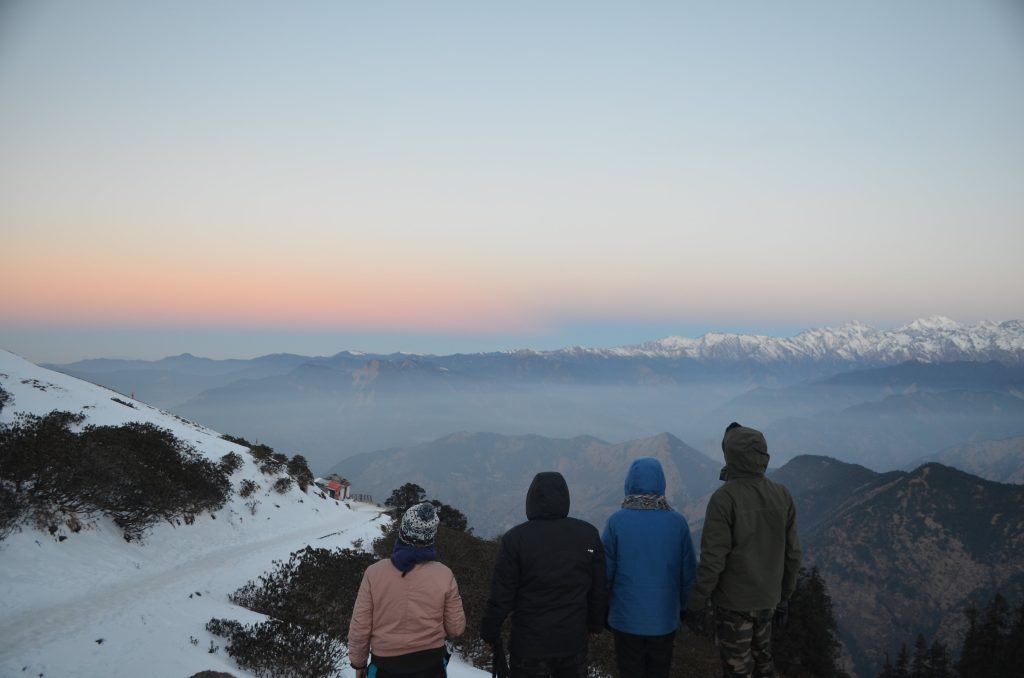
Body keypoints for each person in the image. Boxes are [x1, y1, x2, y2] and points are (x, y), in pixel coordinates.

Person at [686, 422, 801, 678]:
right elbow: (793, 554)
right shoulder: (782, 494)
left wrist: (695, 602)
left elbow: (713, 560)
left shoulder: (724, 499)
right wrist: (785, 597)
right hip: (768, 600)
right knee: (764, 663)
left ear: (731, 455)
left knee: (737, 669)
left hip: (733, 605)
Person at [480, 471, 607, 678]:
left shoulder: (516, 539)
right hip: (572, 641)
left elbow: (501, 595)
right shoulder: (588, 534)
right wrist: (595, 624)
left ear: (531, 499)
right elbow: (598, 588)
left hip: (529, 644)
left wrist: (489, 632)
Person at [602, 457, 697, 678]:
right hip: (664, 619)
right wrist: (682, 609)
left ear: (629, 483)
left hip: (625, 620)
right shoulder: (678, 522)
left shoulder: (616, 521)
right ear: (661, 483)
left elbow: (605, 573)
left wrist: (603, 610)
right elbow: (688, 574)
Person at [348, 502, 466, 678]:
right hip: (432, 667)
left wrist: (359, 664)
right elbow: (456, 628)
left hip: (385, 668)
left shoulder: (374, 573)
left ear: (402, 532)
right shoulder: (444, 574)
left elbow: (360, 627)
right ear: (430, 538)